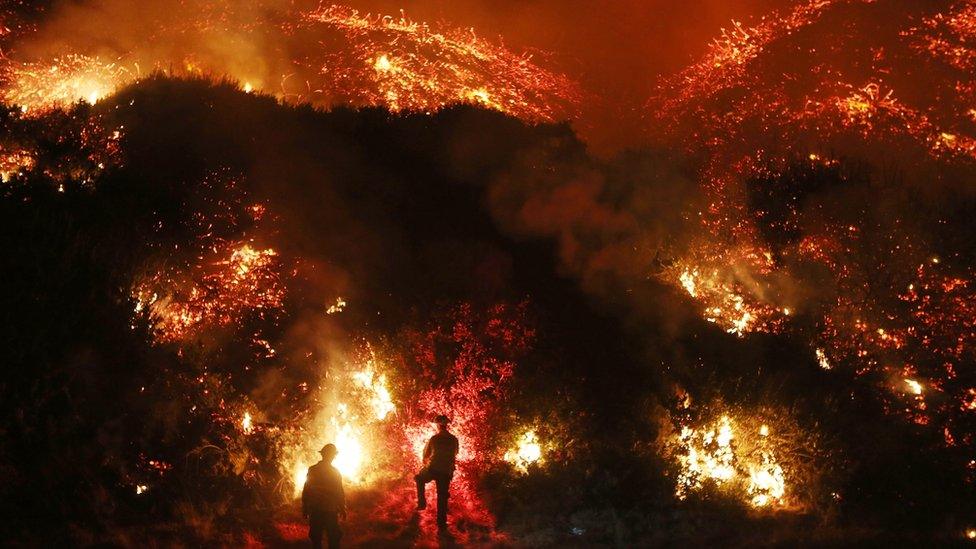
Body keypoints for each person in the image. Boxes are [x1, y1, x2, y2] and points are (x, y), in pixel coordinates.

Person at [415, 415, 459, 527]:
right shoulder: (454, 439)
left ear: (439, 425)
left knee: (419, 478)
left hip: (433, 469)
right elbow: (455, 453)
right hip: (446, 472)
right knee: (442, 497)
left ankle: (422, 503)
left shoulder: (434, 438)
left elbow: (425, 455)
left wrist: (425, 465)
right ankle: (442, 524)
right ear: (446, 425)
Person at [302, 443, 346, 549]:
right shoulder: (335, 472)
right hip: (330, 510)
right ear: (331, 456)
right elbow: (339, 491)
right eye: (331, 455)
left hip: (317, 509)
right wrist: (342, 507)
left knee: (316, 538)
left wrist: (305, 507)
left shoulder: (313, 469)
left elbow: (306, 489)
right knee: (333, 538)